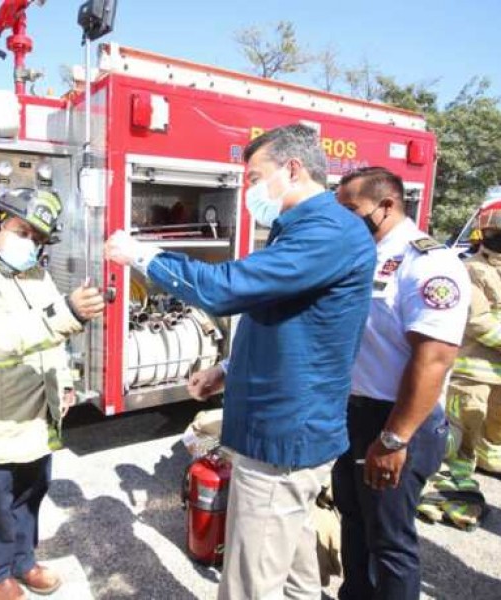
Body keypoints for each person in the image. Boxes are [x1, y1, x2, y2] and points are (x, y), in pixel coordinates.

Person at [106, 124, 375, 600]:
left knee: (250, 584)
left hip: (281, 438)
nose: (249, 189)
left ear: (292, 169)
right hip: (285, 429)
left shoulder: (327, 232)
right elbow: (285, 320)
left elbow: (227, 289)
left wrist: (143, 257)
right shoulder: (305, 230)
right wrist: (226, 372)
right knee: (294, 570)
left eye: (254, 177)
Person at [0, 188, 105, 600]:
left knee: (32, 491)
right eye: (23, 232)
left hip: (37, 413)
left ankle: (23, 560)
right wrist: (67, 313)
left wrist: (66, 382)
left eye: (38, 239)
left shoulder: (38, 277)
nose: (30, 245)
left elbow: (53, 342)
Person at [332, 166, 470, 600]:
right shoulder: (361, 254)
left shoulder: (428, 263)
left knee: (389, 541)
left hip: (396, 419)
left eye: (351, 210)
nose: (343, 220)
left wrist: (393, 439)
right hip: (354, 414)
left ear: (386, 205)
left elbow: (434, 359)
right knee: (354, 522)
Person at [447, 204, 501, 475]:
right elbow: (477, 320)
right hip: (474, 371)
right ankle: (451, 483)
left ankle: (489, 463)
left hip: (498, 374)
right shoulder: (471, 270)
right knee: (464, 427)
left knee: (494, 429)